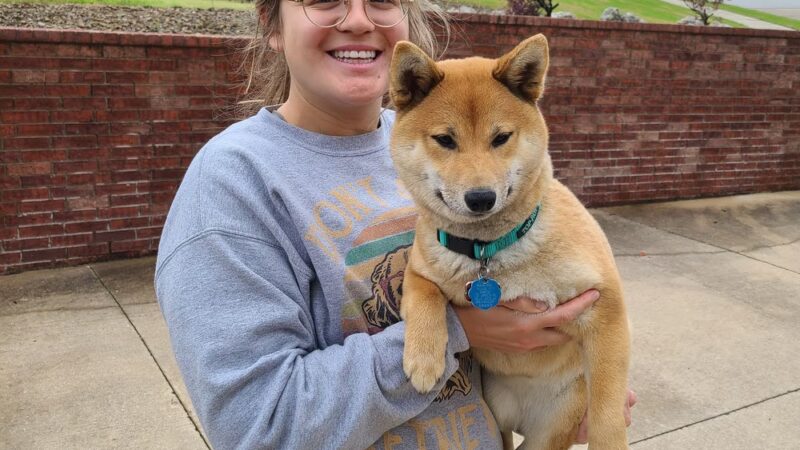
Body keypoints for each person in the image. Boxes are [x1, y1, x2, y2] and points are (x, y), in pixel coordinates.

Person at [154, 0, 635, 448]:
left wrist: (566, 399)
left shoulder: (431, 123)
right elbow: (255, 426)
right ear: (271, 24)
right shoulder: (232, 183)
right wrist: (460, 330)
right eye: (325, 0)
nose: (359, 19)